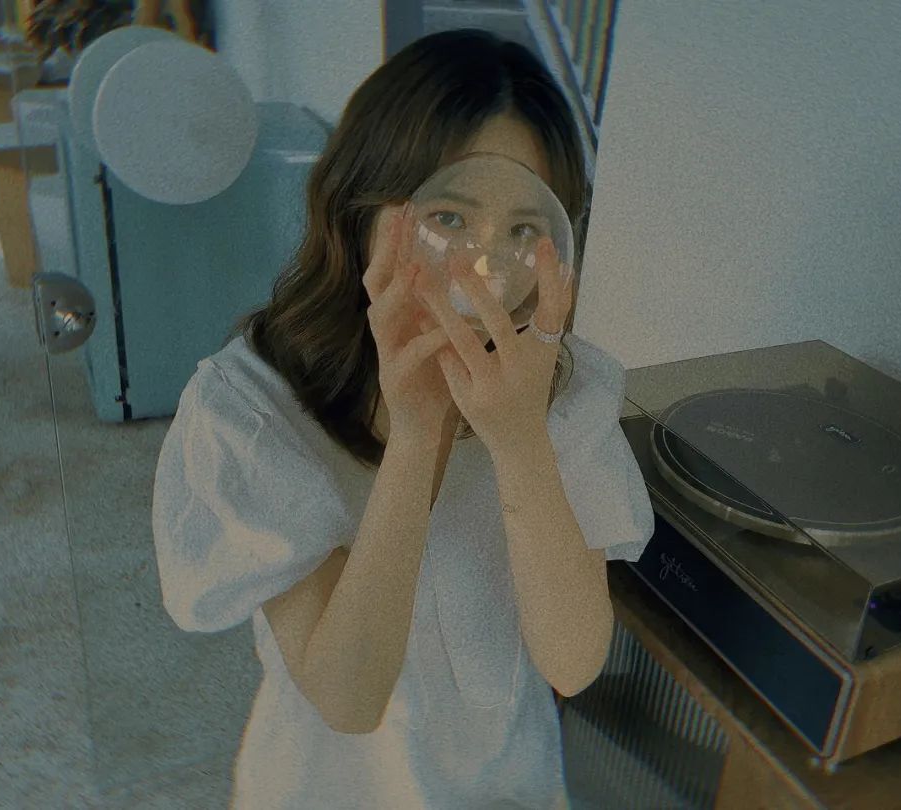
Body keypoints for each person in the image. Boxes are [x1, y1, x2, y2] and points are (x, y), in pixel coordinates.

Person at [151, 28, 655, 809]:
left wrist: (520, 441)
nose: (486, 269)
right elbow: (349, 699)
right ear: (363, 207)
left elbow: (572, 662)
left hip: (503, 785)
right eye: (450, 218)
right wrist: (418, 437)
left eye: (523, 230)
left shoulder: (565, 388)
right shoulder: (251, 409)